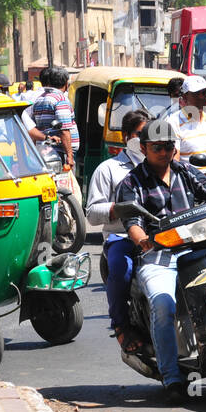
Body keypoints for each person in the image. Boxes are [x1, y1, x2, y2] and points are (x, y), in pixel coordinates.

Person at [116, 121, 206, 402]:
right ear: (143, 148)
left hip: (197, 249)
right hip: (158, 256)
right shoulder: (131, 182)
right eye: (158, 148)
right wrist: (143, 240)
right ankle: (172, 378)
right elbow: (132, 223)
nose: (165, 152)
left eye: (169, 147)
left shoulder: (185, 170)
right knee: (163, 304)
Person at [86, 109, 147, 355]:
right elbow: (92, 212)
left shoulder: (163, 165)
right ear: (126, 137)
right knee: (122, 269)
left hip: (161, 236)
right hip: (121, 236)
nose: (143, 141)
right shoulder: (108, 169)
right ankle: (121, 326)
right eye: (139, 135)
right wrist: (118, 208)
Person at [163, 75, 206, 169]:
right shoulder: (173, 123)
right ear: (185, 97)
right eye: (196, 94)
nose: (201, 97)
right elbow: (174, 162)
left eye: (204, 93)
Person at [29, 66, 77, 167]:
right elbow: (64, 129)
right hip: (58, 153)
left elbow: (33, 128)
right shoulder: (60, 100)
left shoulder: (40, 99)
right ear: (66, 83)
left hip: (43, 151)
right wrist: (69, 155)